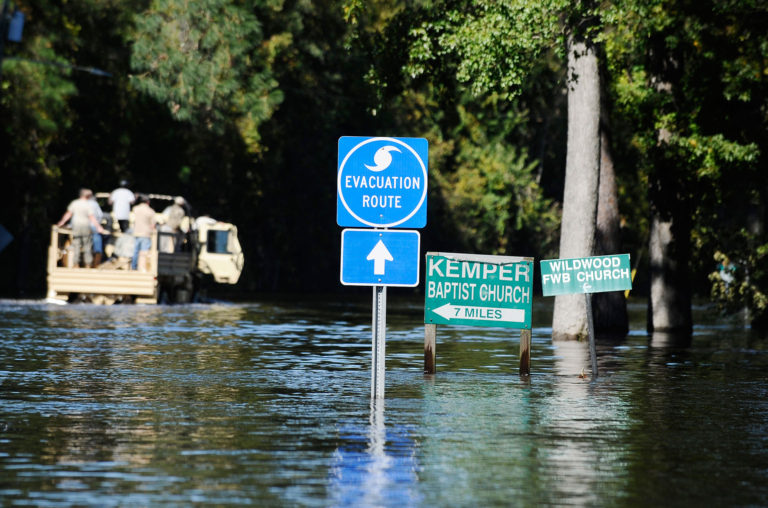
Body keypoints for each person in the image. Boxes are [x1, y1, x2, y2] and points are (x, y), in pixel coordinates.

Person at [56, 189, 106, 267]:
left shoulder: (75, 203)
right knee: (87, 245)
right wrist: (98, 227)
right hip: (85, 226)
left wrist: (61, 222)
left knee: (76, 244)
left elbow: (68, 214)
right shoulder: (88, 204)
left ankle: (76, 263)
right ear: (88, 196)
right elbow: (92, 217)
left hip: (76, 226)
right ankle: (88, 263)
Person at [131, 194, 156, 270]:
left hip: (136, 232)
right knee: (144, 252)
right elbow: (153, 225)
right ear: (148, 202)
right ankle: (142, 268)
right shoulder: (151, 211)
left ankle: (133, 267)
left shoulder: (135, 209)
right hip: (146, 234)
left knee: (135, 251)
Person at [88, 193, 105, 266]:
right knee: (97, 242)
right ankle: (96, 263)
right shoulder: (95, 204)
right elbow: (100, 215)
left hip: (83, 226)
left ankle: (86, 264)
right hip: (94, 225)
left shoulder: (82, 203)